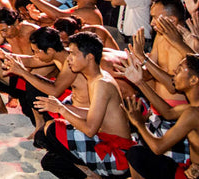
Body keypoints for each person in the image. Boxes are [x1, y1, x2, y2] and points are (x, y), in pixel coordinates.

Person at [34, 32, 134, 178]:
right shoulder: (95, 78)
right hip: (106, 142)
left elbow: (90, 130)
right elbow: (92, 114)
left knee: (52, 130)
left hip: (117, 156)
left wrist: (61, 109)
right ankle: (90, 172)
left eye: (73, 54)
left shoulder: (101, 83)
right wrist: (60, 107)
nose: (69, 59)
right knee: (50, 161)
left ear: (89, 57)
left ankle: (95, 174)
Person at [122, 54, 199, 177]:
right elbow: (168, 113)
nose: (174, 71)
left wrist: (139, 124)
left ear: (194, 80)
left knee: (136, 155)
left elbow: (158, 147)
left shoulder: (195, 113)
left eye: (179, 70)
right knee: (138, 153)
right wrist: (139, 82)